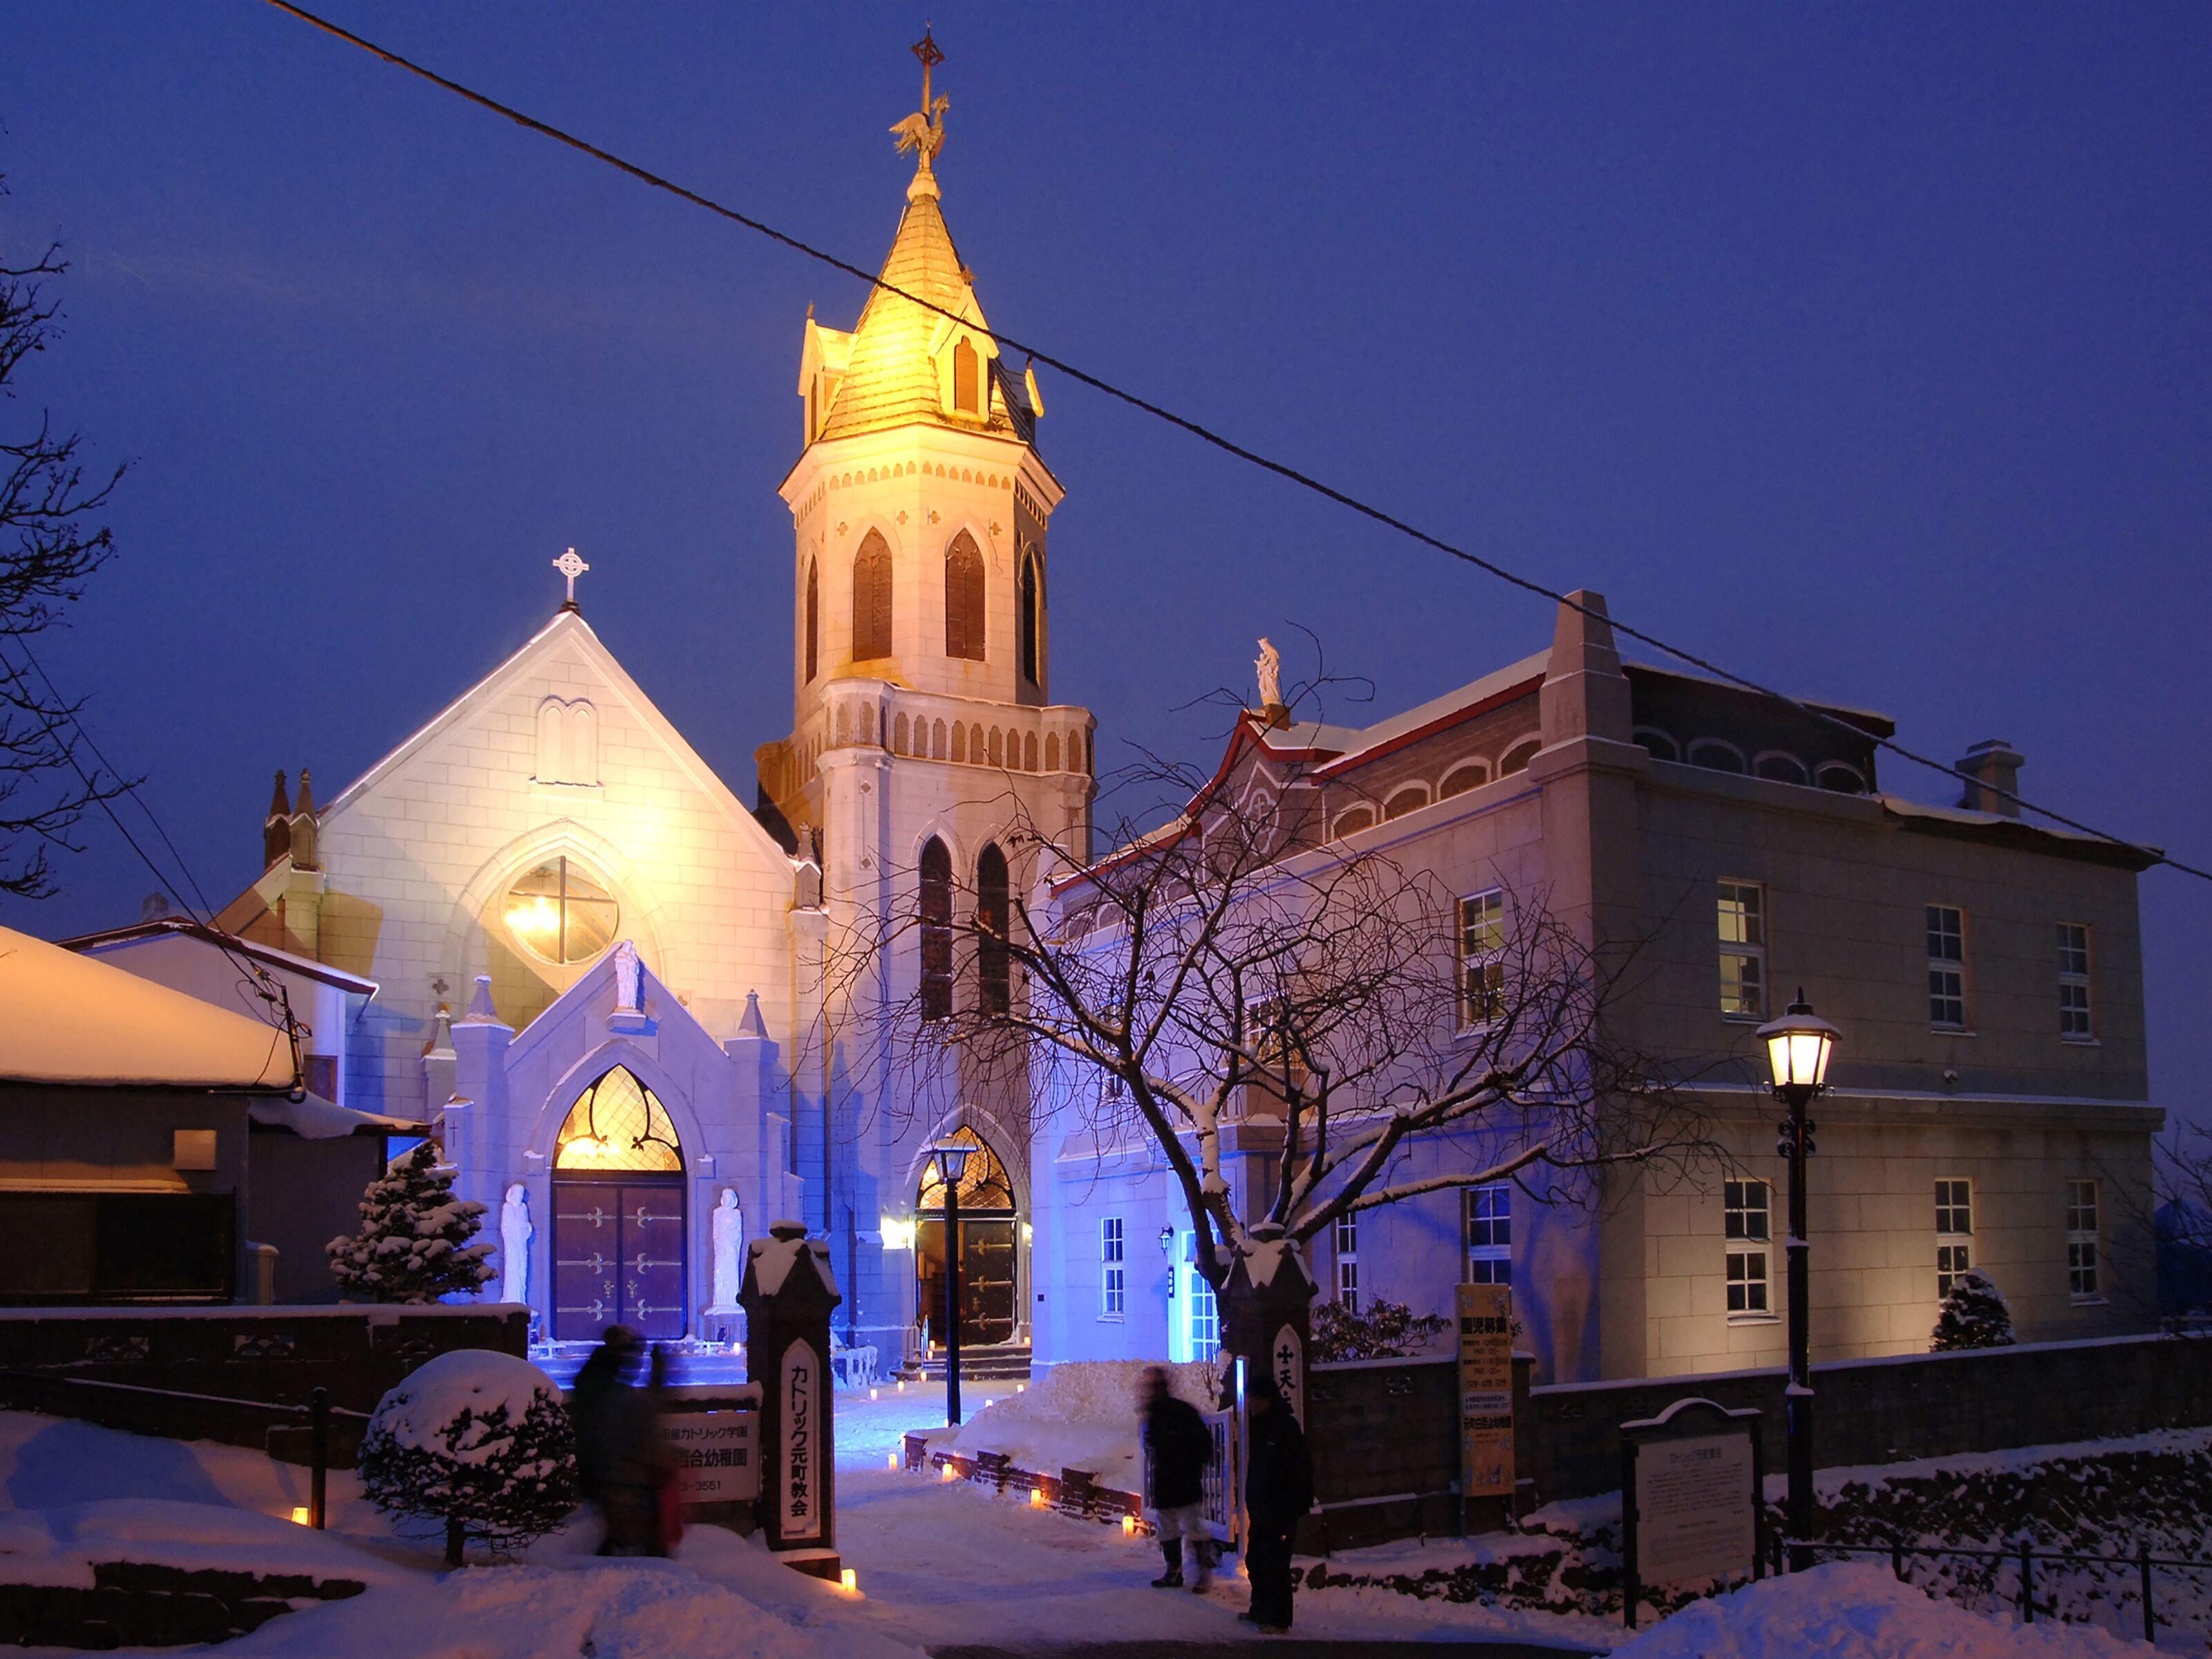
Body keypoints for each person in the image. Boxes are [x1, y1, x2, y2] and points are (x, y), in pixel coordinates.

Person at [570, 1325, 671, 1556]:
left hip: (602, 1473)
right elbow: (647, 1413)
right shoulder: (617, 1399)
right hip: (625, 1477)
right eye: (634, 1358)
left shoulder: (594, 1387)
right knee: (637, 1539)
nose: (636, 1364)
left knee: (617, 1537)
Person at [1242, 1374, 1312, 1633]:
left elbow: (1300, 1468)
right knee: (1256, 1560)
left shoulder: (1284, 1428)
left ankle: (1280, 1620)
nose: (1249, 1403)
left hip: (1280, 1509)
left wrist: (1294, 1505)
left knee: (1276, 1564)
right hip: (1261, 1509)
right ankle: (1260, 1610)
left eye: (1253, 1398)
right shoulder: (1259, 1427)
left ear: (1265, 1400)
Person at [1140, 1366, 1216, 1591]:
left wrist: (1189, 1463)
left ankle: (1200, 1573)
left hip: (1183, 1479)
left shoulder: (1180, 1413)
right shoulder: (1154, 1415)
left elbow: (1202, 1445)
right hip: (1168, 1479)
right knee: (1168, 1527)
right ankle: (1174, 1572)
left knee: (1192, 1525)